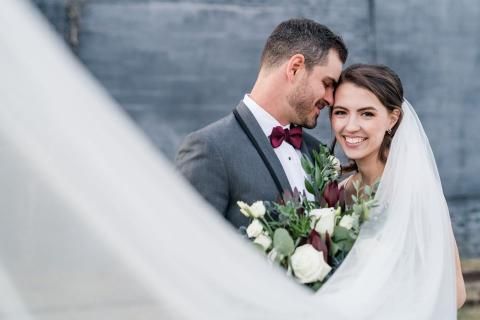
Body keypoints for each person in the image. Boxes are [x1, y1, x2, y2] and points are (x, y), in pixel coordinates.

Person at [175, 18, 348, 228]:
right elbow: (189, 246)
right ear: (295, 68)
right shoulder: (210, 149)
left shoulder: (318, 154)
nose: (330, 99)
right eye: (327, 83)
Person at [329, 63, 467, 309]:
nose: (350, 126)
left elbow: (455, 292)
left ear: (392, 119)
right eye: (341, 112)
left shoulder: (414, 193)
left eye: (367, 114)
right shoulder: (338, 194)